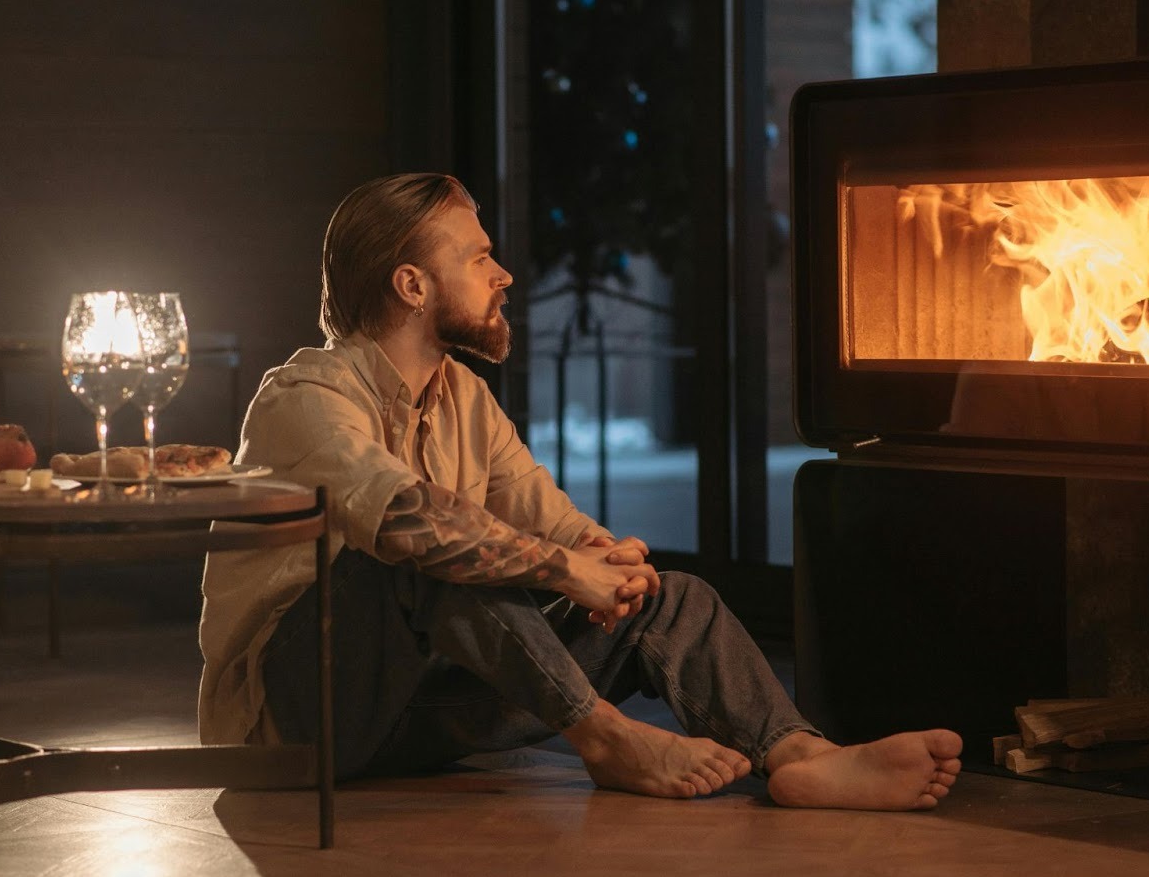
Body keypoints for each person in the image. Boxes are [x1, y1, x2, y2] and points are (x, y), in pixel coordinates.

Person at [199, 172, 962, 808]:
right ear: (412, 284)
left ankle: (797, 753)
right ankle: (602, 736)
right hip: (297, 723)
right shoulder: (303, 396)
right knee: (431, 554)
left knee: (675, 600)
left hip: (417, 715)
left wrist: (605, 560)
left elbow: (546, 516)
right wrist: (566, 571)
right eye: (479, 258)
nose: (502, 276)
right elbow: (409, 521)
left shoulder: (460, 394)